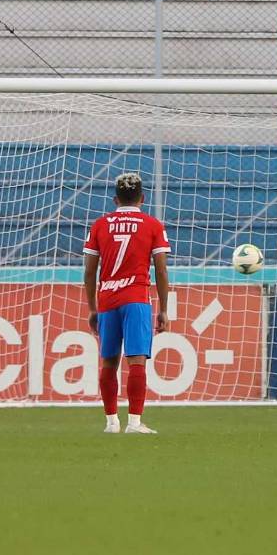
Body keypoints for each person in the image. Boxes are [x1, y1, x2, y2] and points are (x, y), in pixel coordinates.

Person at [83, 173, 170, 434]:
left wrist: (92, 308)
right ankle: (134, 422)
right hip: (136, 299)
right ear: (142, 198)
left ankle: (111, 422)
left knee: (109, 362)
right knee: (136, 362)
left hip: (107, 300)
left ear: (115, 199)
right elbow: (161, 270)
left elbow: (89, 272)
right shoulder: (152, 225)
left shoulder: (100, 224)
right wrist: (164, 309)